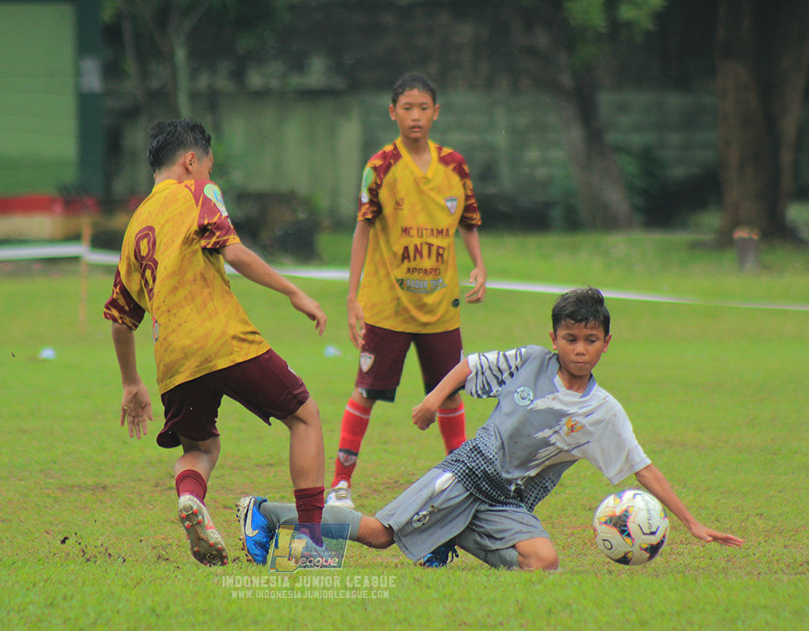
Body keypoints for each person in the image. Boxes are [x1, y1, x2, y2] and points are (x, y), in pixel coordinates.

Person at [237, 288, 743, 570]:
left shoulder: (603, 412)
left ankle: (444, 538)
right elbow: (468, 367)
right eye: (571, 339)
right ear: (555, 339)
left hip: (507, 504)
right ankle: (264, 515)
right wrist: (433, 401)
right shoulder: (529, 362)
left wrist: (693, 522)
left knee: (542, 562)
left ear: (607, 342)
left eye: (591, 340)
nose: (580, 349)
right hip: (466, 475)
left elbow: (642, 468)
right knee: (378, 535)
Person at [104, 118, 328, 567]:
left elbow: (120, 320)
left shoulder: (135, 227)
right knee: (305, 417)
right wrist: (294, 292)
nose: (207, 175)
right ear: (191, 162)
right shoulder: (199, 192)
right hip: (222, 339)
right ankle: (311, 545)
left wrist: (131, 384)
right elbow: (235, 252)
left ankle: (192, 500)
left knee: (200, 450)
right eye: (206, 167)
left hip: (172, 359)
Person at [328, 72, 487, 509]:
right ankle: (341, 484)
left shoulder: (454, 166)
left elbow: (469, 221)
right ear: (392, 112)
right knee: (365, 391)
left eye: (423, 108)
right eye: (407, 108)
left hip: (440, 308)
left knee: (450, 391)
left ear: (436, 112)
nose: (415, 116)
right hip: (388, 307)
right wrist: (352, 294)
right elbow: (362, 229)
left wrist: (478, 264)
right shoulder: (380, 166)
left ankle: (462, 479)